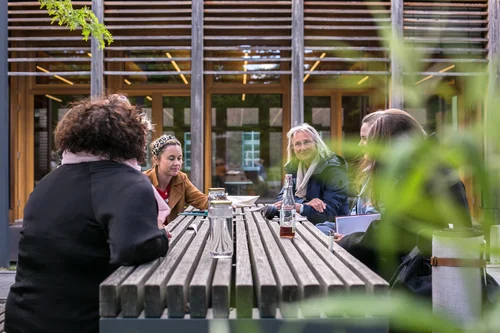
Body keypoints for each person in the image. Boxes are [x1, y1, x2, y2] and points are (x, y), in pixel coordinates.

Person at [5, 94, 170, 333]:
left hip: (23, 318)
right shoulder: (127, 182)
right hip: (81, 322)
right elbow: (133, 248)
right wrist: (161, 237)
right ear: (133, 138)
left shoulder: (49, 182)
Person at [337, 109, 472, 280]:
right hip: (432, 270)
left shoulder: (424, 174)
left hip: (431, 279)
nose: (361, 145)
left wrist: (346, 242)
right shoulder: (426, 167)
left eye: (370, 140)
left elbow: (391, 232)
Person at [274, 123, 350, 234]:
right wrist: (304, 204)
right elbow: (282, 198)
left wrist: (300, 207)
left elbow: (330, 213)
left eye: (307, 142)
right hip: (306, 226)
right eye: (298, 144)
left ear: (317, 143)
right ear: (293, 149)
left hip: (333, 231)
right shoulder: (295, 169)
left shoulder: (334, 169)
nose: (303, 148)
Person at [144, 134, 209, 224]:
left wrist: (223, 204)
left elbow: (202, 200)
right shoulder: (143, 181)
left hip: (174, 235)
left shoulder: (181, 179)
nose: (177, 163)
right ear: (156, 160)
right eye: (171, 158)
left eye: (179, 158)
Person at [351, 111, 384, 215]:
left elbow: (378, 224)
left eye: (364, 138)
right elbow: (355, 216)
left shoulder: (389, 176)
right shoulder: (369, 171)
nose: (360, 144)